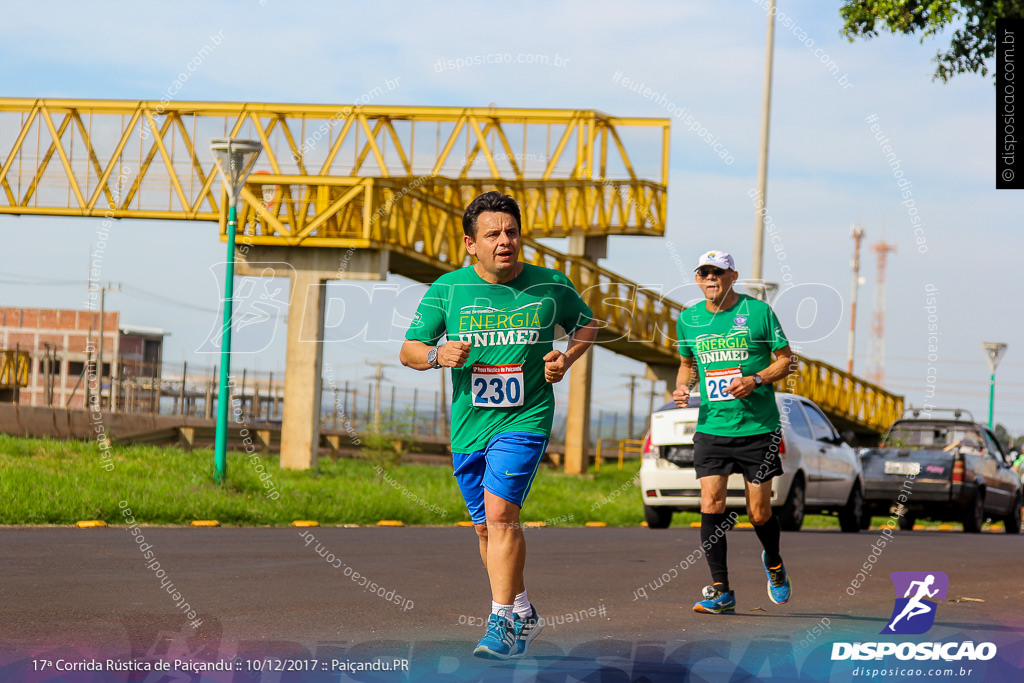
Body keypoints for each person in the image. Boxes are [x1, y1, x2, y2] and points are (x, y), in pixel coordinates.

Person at [400, 191, 598, 659]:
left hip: (526, 418)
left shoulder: (550, 284)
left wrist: (564, 359)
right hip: (470, 423)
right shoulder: (449, 289)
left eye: (511, 232)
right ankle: (523, 607)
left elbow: (587, 324)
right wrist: (435, 355)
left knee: (502, 516)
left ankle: (500, 623)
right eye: (492, 234)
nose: (504, 241)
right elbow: (408, 349)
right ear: (471, 243)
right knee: (486, 530)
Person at [672, 250, 796, 614]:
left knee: (758, 513)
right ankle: (721, 589)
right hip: (712, 427)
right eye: (704, 272)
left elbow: (787, 360)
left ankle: (774, 564)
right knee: (711, 503)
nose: (710, 278)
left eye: (718, 272)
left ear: (732, 276)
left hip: (758, 428)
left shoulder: (758, 313)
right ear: (697, 278)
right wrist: (683, 387)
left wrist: (756, 379)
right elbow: (686, 363)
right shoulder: (689, 318)